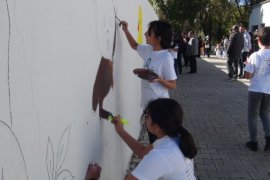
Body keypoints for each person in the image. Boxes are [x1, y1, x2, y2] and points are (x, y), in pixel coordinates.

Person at [120, 20, 177, 143]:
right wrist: (125, 30)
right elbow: (134, 45)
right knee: (154, 142)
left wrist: (160, 79)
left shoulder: (166, 58)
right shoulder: (148, 50)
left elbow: (172, 84)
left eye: (149, 33)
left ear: (158, 38)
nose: (145, 34)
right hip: (148, 109)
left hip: (160, 110)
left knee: (158, 143)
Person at [113, 98, 197, 180]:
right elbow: (142, 152)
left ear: (156, 127)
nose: (145, 119)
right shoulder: (177, 137)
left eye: (147, 117)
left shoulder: (160, 155)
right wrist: (121, 131)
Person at [244, 26, 270, 152]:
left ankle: (253, 142)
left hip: (256, 90)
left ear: (258, 40)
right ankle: (269, 140)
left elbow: (247, 75)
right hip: (269, 90)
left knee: (252, 116)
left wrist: (248, 64)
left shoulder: (255, 55)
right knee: (265, 114)